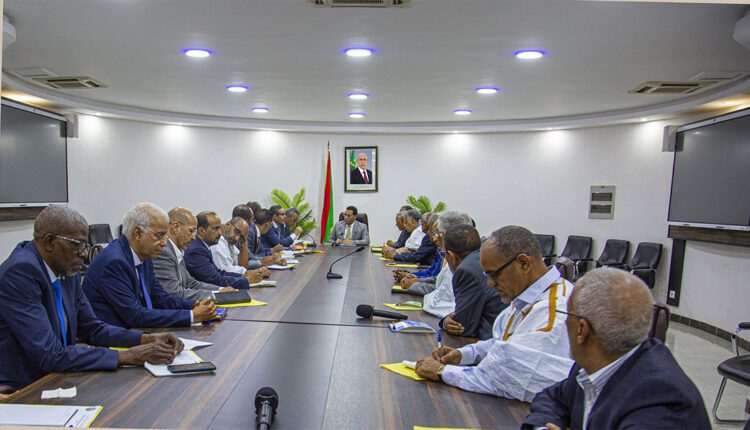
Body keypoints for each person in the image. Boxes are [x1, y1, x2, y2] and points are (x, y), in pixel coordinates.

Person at [0, 205, 184, 392]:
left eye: (86, 245)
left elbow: (93, 329)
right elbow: (50, 355)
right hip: (25, 388)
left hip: (60, 377)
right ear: (49, 242)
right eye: (77, 245)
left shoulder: (65, 268)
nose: (83, 253)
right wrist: (128, 356)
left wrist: (146, 339)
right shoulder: (21, 273)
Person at [523, 269, 711, 430]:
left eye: (567, 314)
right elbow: (552, 398)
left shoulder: (660, 400)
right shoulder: (592, 365)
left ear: (582, 330)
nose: (564, 322)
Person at [415, 225, 574, 401]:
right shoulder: (531, 296)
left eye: (494, 274)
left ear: (523, 263)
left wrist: (442, 371)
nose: (490, 284)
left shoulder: (554, 311)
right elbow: (505, 343)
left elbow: (508, 379)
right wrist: (465, 354)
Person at [83, 203, 217, 329]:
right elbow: (135, 316)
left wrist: (194, 305)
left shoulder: (144, 256)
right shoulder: (115, 262)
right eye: (160, 235)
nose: (164, 243)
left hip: (136, 330)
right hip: (113, 337)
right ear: (138, 233)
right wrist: (191, 316)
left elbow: (159, 298)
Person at [153, 207, 236, 300]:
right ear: (175, 227)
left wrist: (219, 290)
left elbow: (190, 283)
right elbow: (174, 292)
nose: (194, 237)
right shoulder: (163, 252)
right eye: (191, 231)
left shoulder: (178, 250)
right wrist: (215, 295)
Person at [437, 225, 504, 340]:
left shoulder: (465, 270)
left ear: (451, 256)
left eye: (444, 254)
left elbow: (462, 326)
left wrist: (444, 322)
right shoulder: (479, 259)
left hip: (488, 340)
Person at [420, 211, 473, 318]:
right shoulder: (446, 253)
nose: (434, 239)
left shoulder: (460, 260)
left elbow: (449, 302)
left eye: (437, 234)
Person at [184, 211, 255, 288]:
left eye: (220, 228)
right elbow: (214, 279)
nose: (221, 232)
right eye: (216, 229)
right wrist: (245, 280)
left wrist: (243, 276)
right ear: (201, 231)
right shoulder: (196, 250)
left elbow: (218, 273)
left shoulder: (203, 246)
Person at [394, 212, 442, 295]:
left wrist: (414, 280)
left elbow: (417, 257)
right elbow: (431, 272)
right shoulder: (442, 251)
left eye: (436, 233)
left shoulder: (447, 254)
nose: (434, 239)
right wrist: (411, 275)